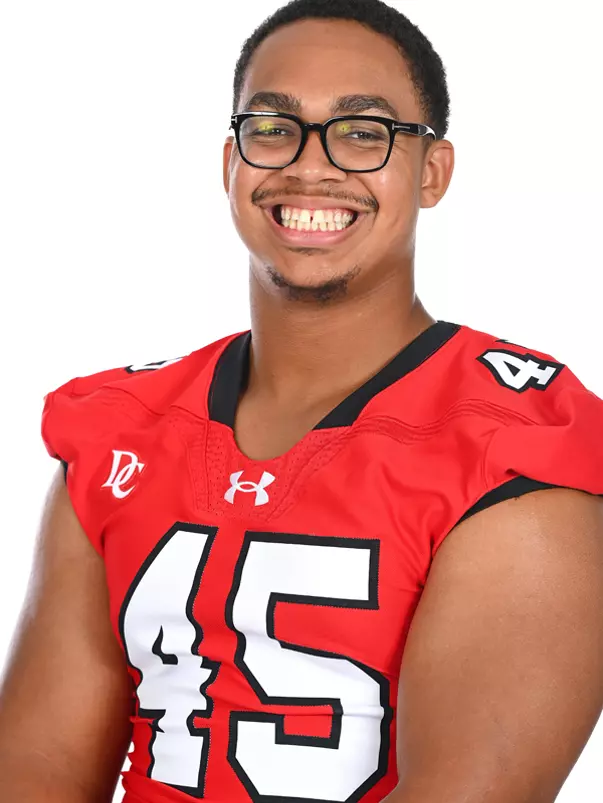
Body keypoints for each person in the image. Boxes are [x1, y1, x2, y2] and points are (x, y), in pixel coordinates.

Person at [1, 0, 602, 801]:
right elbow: (35, 768)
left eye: (361, 132)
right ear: (231, 162)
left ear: (430, 171)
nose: (310, 166)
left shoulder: (514, 444)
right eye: (273, 127)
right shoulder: (119, 431)